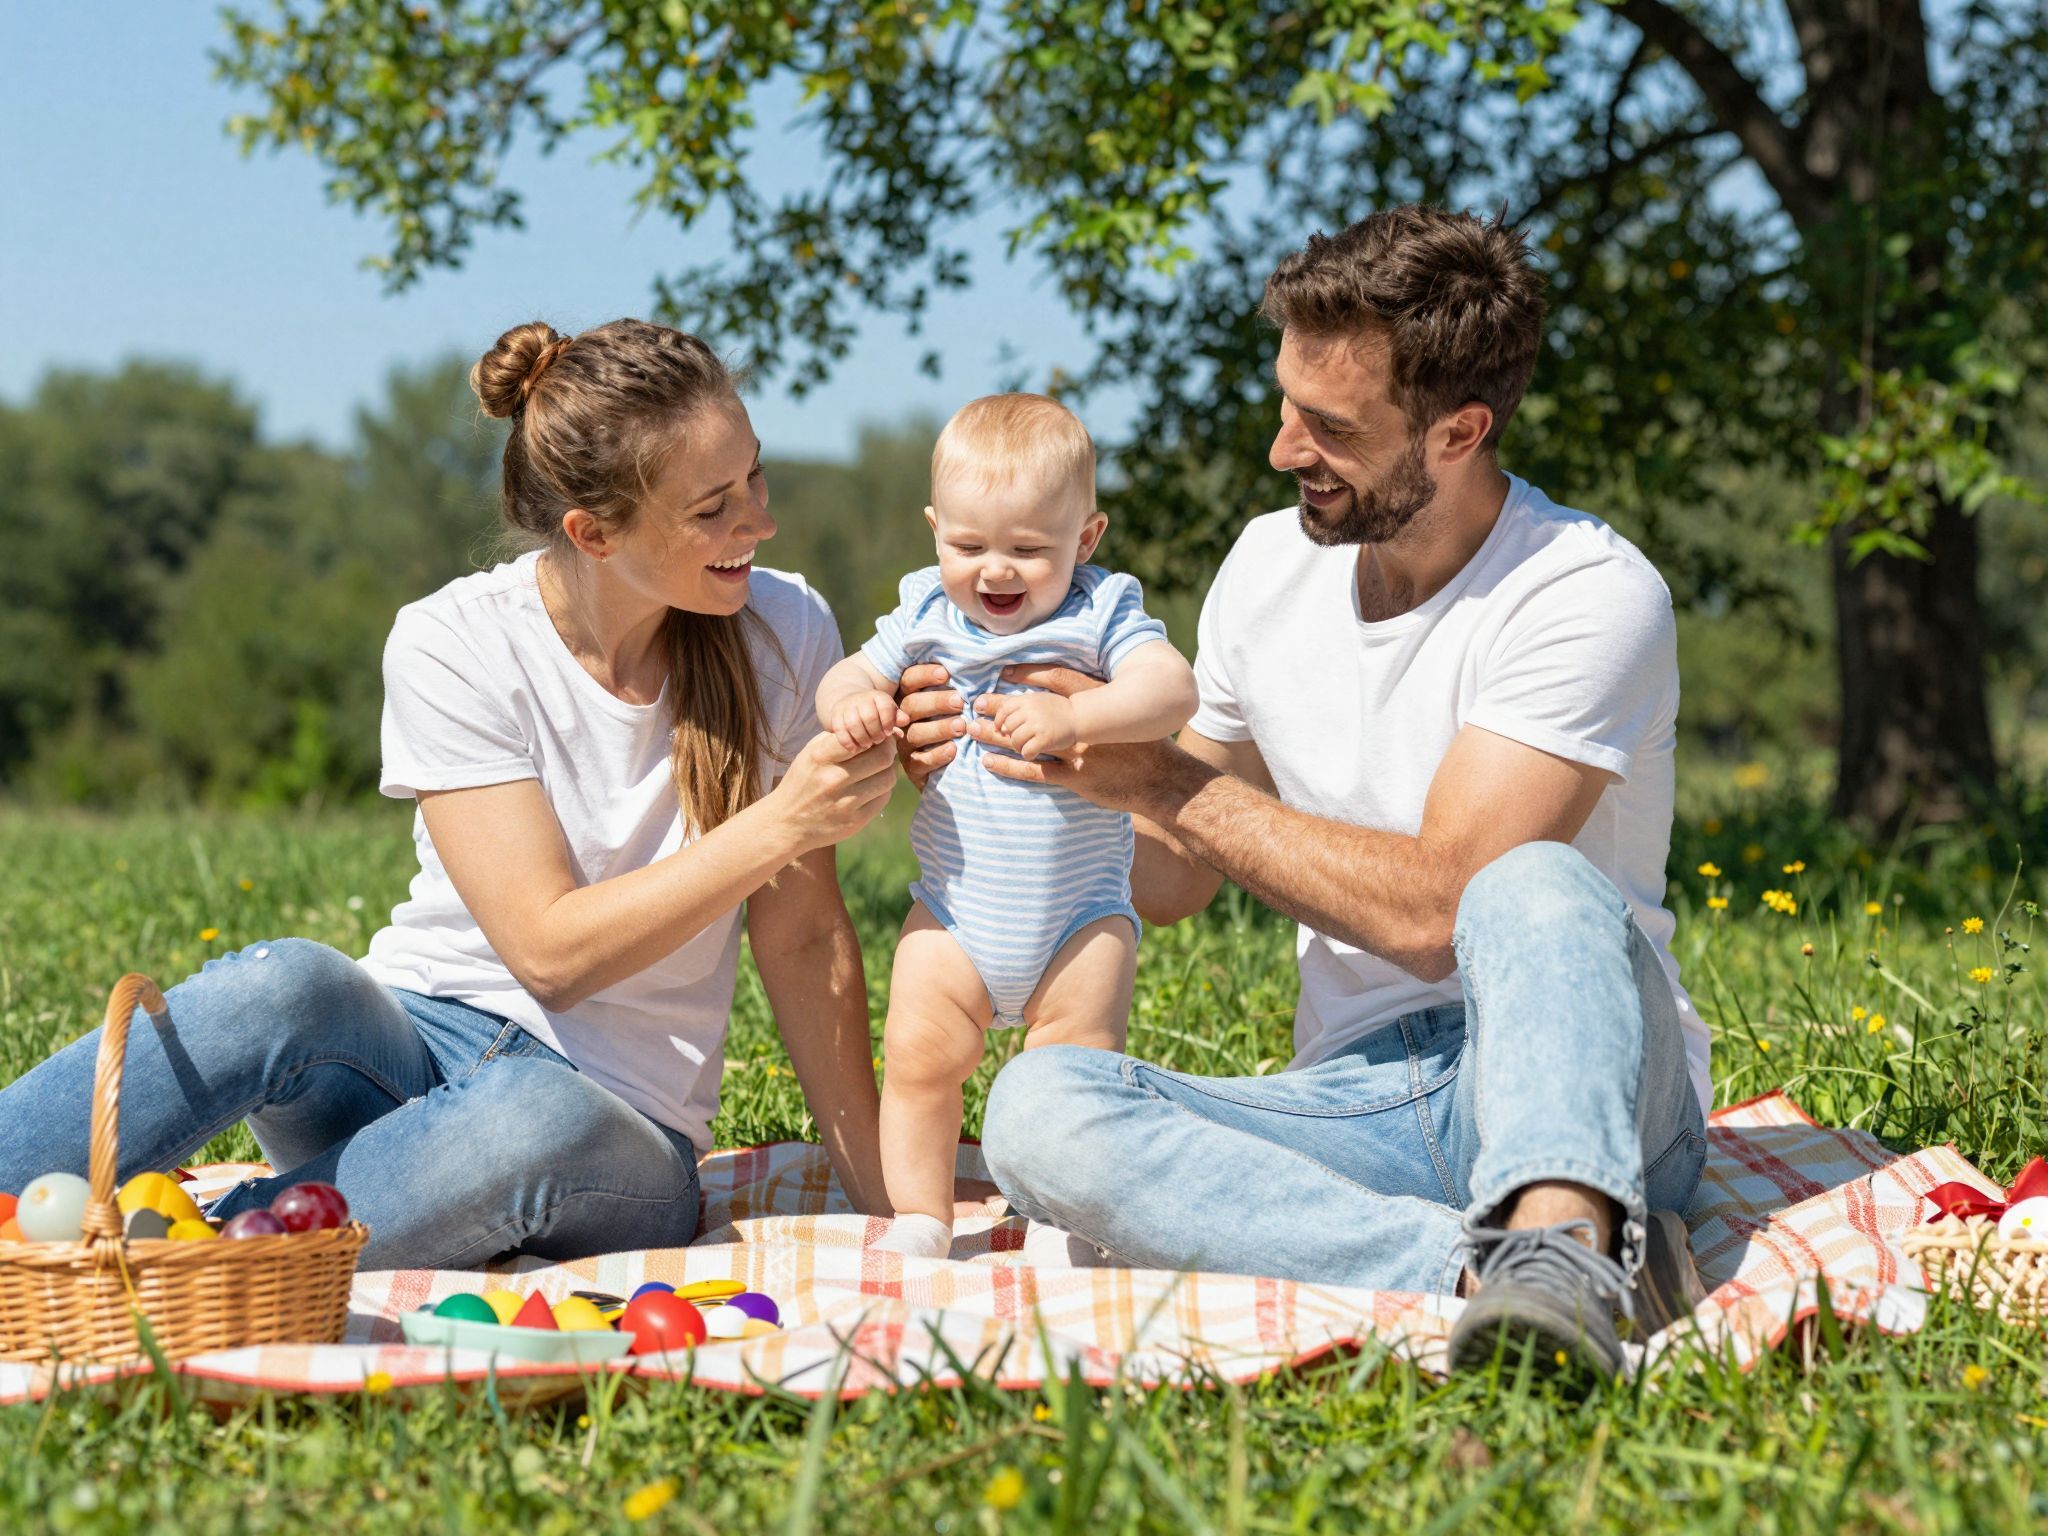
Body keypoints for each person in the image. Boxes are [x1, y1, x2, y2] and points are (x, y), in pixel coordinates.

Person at [897, 208, 1711, 1378]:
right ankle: (1490, 1275)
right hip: (1361, 1099)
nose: (1285, 450)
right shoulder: (1267, 565)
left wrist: (1156, 775)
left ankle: (1564, 1227)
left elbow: (1434, 913)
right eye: (1286, 405)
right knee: (1038, 1109)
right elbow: (1171, 880)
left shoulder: (1583, 591)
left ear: (1458, 431)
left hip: (1590, 1087)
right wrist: (1008, 769)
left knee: (1527, 880)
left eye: (1329, 427)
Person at [0, 319, 912, 1270]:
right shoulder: (455, 641)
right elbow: (550, 953)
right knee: (284, 982)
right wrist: (780, 824)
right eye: (713, 508)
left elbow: (804, 939)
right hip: (414, 1048)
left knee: (532, 1112)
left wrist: (888, 1201)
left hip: (609, 1129)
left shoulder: (782, 629)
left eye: (756, 477)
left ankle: (176, 1270)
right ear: (593, 534)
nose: (759, 522)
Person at [815, 394, 1198, 1260]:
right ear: (934, 532)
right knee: (918, 1056)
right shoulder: (924, 614)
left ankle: (1060, 1220)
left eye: (1029, 549)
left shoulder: (1100, 612)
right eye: (969, 546)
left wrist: (1082, 717)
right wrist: (855, 706)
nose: (996, 570)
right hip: (955, 913)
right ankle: (920, 1216)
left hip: (1081, 918)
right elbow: (846, 675)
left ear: (1086, 539)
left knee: (1072, 1077)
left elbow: (1173, 688)